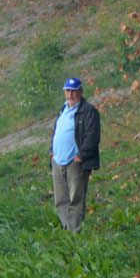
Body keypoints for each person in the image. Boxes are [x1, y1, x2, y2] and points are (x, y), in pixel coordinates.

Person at [50, 77, 101, 232]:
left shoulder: (88, 111)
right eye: (68, 91)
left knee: (76, 198)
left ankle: (75, 231)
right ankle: (67, 228)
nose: (71, 94)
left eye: (74, 90)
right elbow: (56, 132)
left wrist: (82, 155)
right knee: (61, 199)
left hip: (75, 161)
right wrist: (51, 151)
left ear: (80, 91)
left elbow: (93, 136)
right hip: (58, 160)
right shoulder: (63, 109)